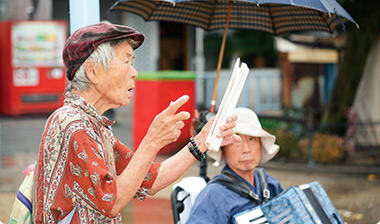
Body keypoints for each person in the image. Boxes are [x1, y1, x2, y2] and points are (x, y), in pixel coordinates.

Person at [32, 22, 240, 223]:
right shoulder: (72, 123)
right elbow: (111, 202)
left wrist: (202, 141)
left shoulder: (92, 124)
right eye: (127, 61)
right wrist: (152, 141)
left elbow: (150, 180)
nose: (134, 72)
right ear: (93, 71)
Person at [186, 107, 284, 224]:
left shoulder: (269, 184)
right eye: (236, 141)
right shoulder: (215, 195)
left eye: (252, 139)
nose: (246, 149)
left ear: (260, 144)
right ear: (223, 149)